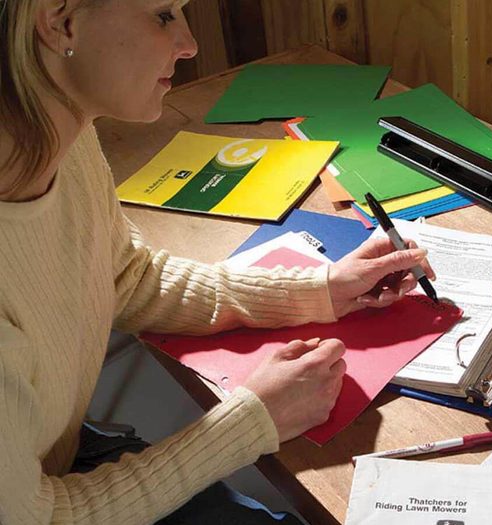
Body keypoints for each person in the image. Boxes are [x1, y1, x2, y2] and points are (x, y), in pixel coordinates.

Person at [0, 1, 435, 523]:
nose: (189, 45)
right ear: (60, 21)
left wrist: (323, 288)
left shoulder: (59, 132)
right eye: (163, 15)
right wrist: (254, 420)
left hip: (52, 457)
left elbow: (126, 277)